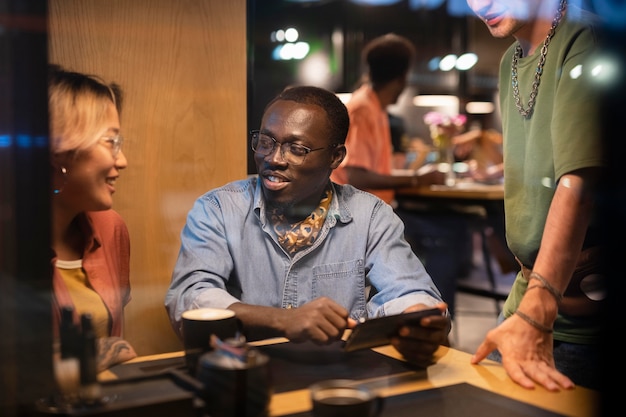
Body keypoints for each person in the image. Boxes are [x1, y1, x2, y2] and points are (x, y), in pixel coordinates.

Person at [165, 85, 451, 368]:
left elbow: (408, 292)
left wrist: (418, 317)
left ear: (335, 157)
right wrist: (283, 319)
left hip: (338, 384)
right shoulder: (219, 209)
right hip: (243, 378)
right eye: (266, 142)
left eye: (296, 148)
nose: (274, 158)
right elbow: (190, 296)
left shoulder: (371, 216)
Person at [465, 0, 606, 391]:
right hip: (527, 294)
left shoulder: (586, 36)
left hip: (575, 313)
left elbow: (578, 183)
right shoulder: (511, 58)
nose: (479, 5)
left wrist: (538, 310)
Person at [330, 33, 469, 318]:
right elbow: (355, 174)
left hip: (377, 207)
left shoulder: (375, 108)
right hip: (354, 212)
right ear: (401, 77)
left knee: (455, 222)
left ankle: (424, 310)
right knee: (447, 234)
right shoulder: (361, 110)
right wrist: (417, 179)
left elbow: (371, 169)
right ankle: (434, 321)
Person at [49, 65, 137, 371]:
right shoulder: (11, 244)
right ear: (59, 149)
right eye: (110, 142)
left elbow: (119, 344)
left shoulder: (110, 228)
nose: (122, 161)